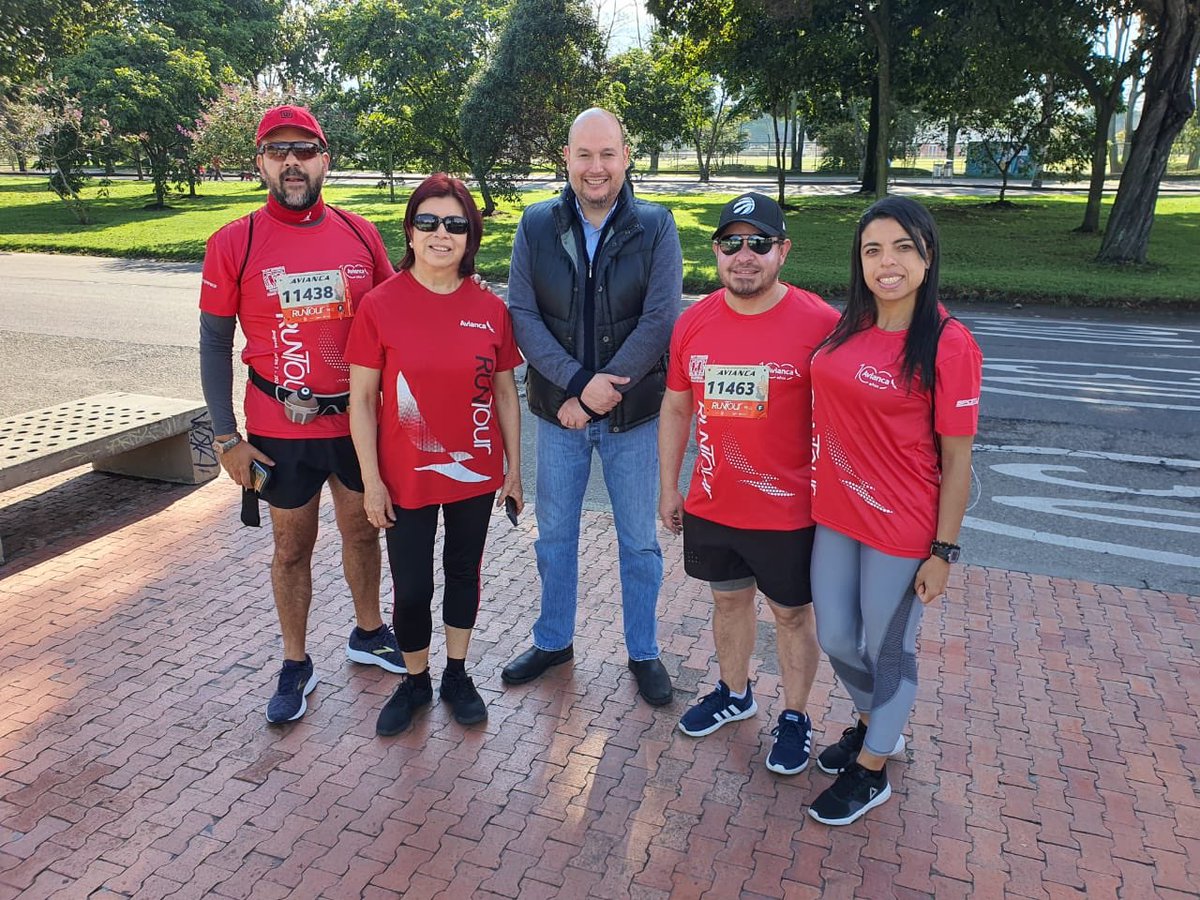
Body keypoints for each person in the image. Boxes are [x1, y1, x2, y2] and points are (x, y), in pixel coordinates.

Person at [198, 105, 404, 725]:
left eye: (305, 149)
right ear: (260, 163)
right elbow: (212, 343)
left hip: (355, 425)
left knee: (364, 531)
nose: (293, 161)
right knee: (292, 547)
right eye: (278, 150)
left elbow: (396, 320)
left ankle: (369, 632)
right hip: (277, 428)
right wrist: (224, 438)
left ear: (325, 159)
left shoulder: (360, 233)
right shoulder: (235, 241)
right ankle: (295, 661)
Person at [807, 196, 983, 825]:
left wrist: (943, 551)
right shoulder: (848, 326)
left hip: (902, 526)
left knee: (889, 650)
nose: (888, 263)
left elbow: (958, 462)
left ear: (927, 255)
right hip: (837, 513)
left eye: (903, 248)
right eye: (873, 250)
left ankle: (873, 768)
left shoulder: (948, 343)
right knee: (834, 636)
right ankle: (876, 723)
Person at [503, 107, 683, 705]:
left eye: (608, 154)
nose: (596, 167)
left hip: (632, 417)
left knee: (639, 542)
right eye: (585, 154)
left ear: (626, 158)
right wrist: (581, 385)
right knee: (554, 536)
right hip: (560, 414)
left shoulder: (656, 226)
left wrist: (608, 388)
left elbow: (659, 320)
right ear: (567, 158)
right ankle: (554, 639)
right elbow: (523, 316)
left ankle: (643, 650)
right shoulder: (535, 224)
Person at [659, 193, 840, 774]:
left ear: (782, 251)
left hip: (790, 511)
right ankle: (734, 695)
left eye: (759, 243)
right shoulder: (693, 322)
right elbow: (676, 408)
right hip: (714, 502)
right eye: (731, 242)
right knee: (727, 601)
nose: (744, 255)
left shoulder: (821, 324)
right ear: (716, 251)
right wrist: (670, 486)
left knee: (791, 615)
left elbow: (847, 420)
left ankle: (795, 715)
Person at [345, 174, 524, 737]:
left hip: (473, 471)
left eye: (454, 223)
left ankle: (457, 674)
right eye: (428, 222)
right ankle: (416, 681)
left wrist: (515, 469)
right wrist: (371, 482)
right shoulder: (380, 304)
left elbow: (503, 393)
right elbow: (362, 402)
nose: (441, 234)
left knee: (463, 573)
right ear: (410, 232)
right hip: (405, 478)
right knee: (413, 585)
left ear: (470, 236)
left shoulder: (490, 309)